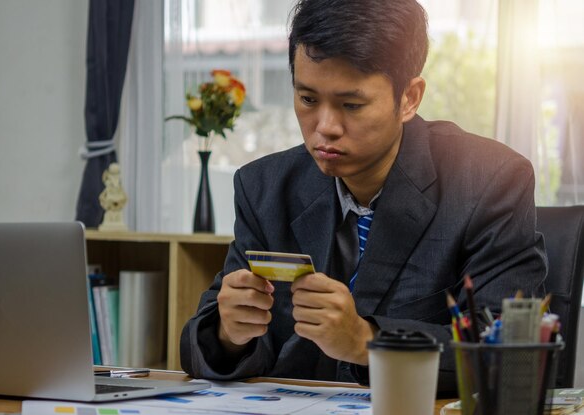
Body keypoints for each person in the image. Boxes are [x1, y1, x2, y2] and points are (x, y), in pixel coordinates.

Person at [180, 0, 547, 395]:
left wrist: (365, 341)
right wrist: (228, 332)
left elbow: (511, 355)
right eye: (307, 99)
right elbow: (205, 344)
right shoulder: (264, 188)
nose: (325, 127)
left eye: (351, 105)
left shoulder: (489, 181)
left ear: (409, 98)